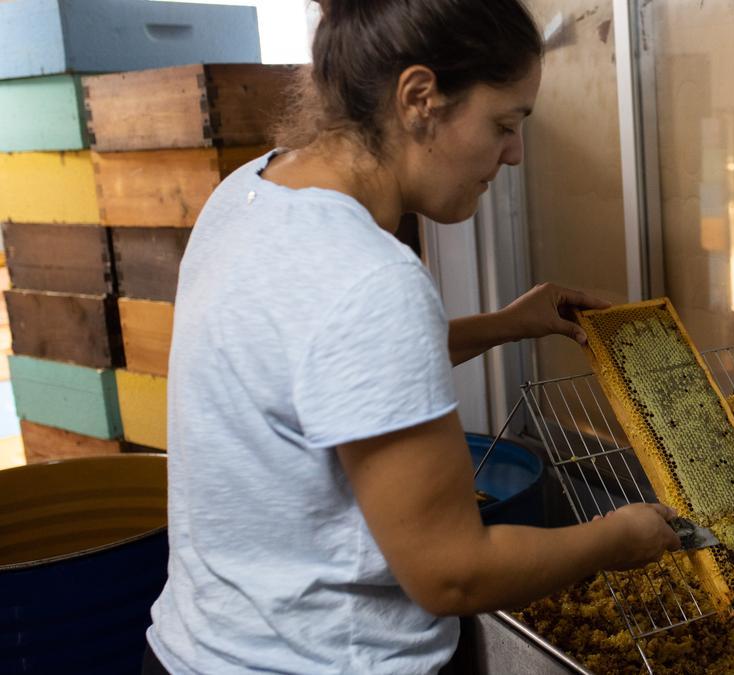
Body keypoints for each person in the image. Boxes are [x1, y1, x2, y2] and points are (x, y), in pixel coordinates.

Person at [142, 1, 681, 672]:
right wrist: (613, 539)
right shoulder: (371, 278)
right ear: (420, 97)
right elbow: (451, 573)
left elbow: (333, 371)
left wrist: (507, 323)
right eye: (504, 124)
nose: (514, 155)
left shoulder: (249, 194)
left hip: (200, 650)